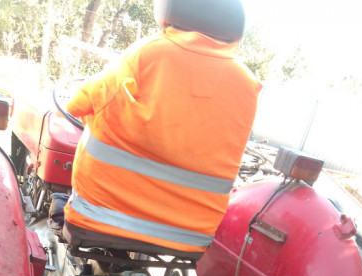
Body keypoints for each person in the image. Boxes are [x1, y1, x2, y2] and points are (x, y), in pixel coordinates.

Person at [63, 0, 261, 259]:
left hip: (100, 216)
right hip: (191, 235)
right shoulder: (248, 85)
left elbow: (77, 104)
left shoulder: (149, 54)